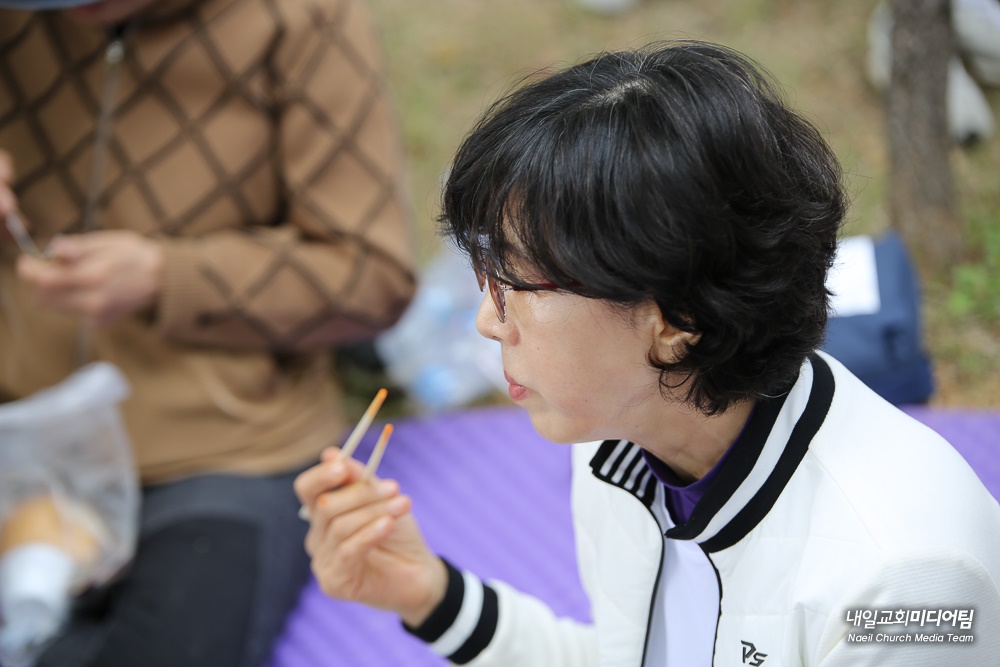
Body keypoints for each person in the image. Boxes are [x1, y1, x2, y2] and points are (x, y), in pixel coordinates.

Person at [294, 41, 1000, 666]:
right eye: (485, 273)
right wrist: (428, 593)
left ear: (677, 320)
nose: (487, 321)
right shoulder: (624, 438)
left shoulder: (907, 581)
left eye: (516, 283)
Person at [0, 0, 415, 665]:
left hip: (224, 443)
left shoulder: (304, 17)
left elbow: (373, 276)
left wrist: (167, 278)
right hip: (19, 418)